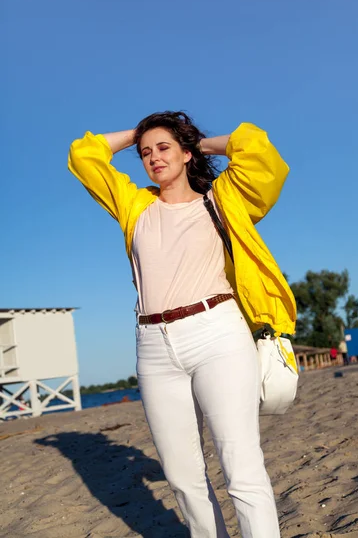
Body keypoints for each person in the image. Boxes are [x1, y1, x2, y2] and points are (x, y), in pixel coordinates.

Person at [68, 112, 296, 538]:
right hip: (154, 345)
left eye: (164, 147)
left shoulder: (221, 200)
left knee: (241, 467)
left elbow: (260, 152)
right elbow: (85, 154)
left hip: (218, 335)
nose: (153, 157)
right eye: (145, 152)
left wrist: (198, 142)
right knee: (182, 477)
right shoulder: (134, 205)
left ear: (186, 153)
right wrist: (142, 132)